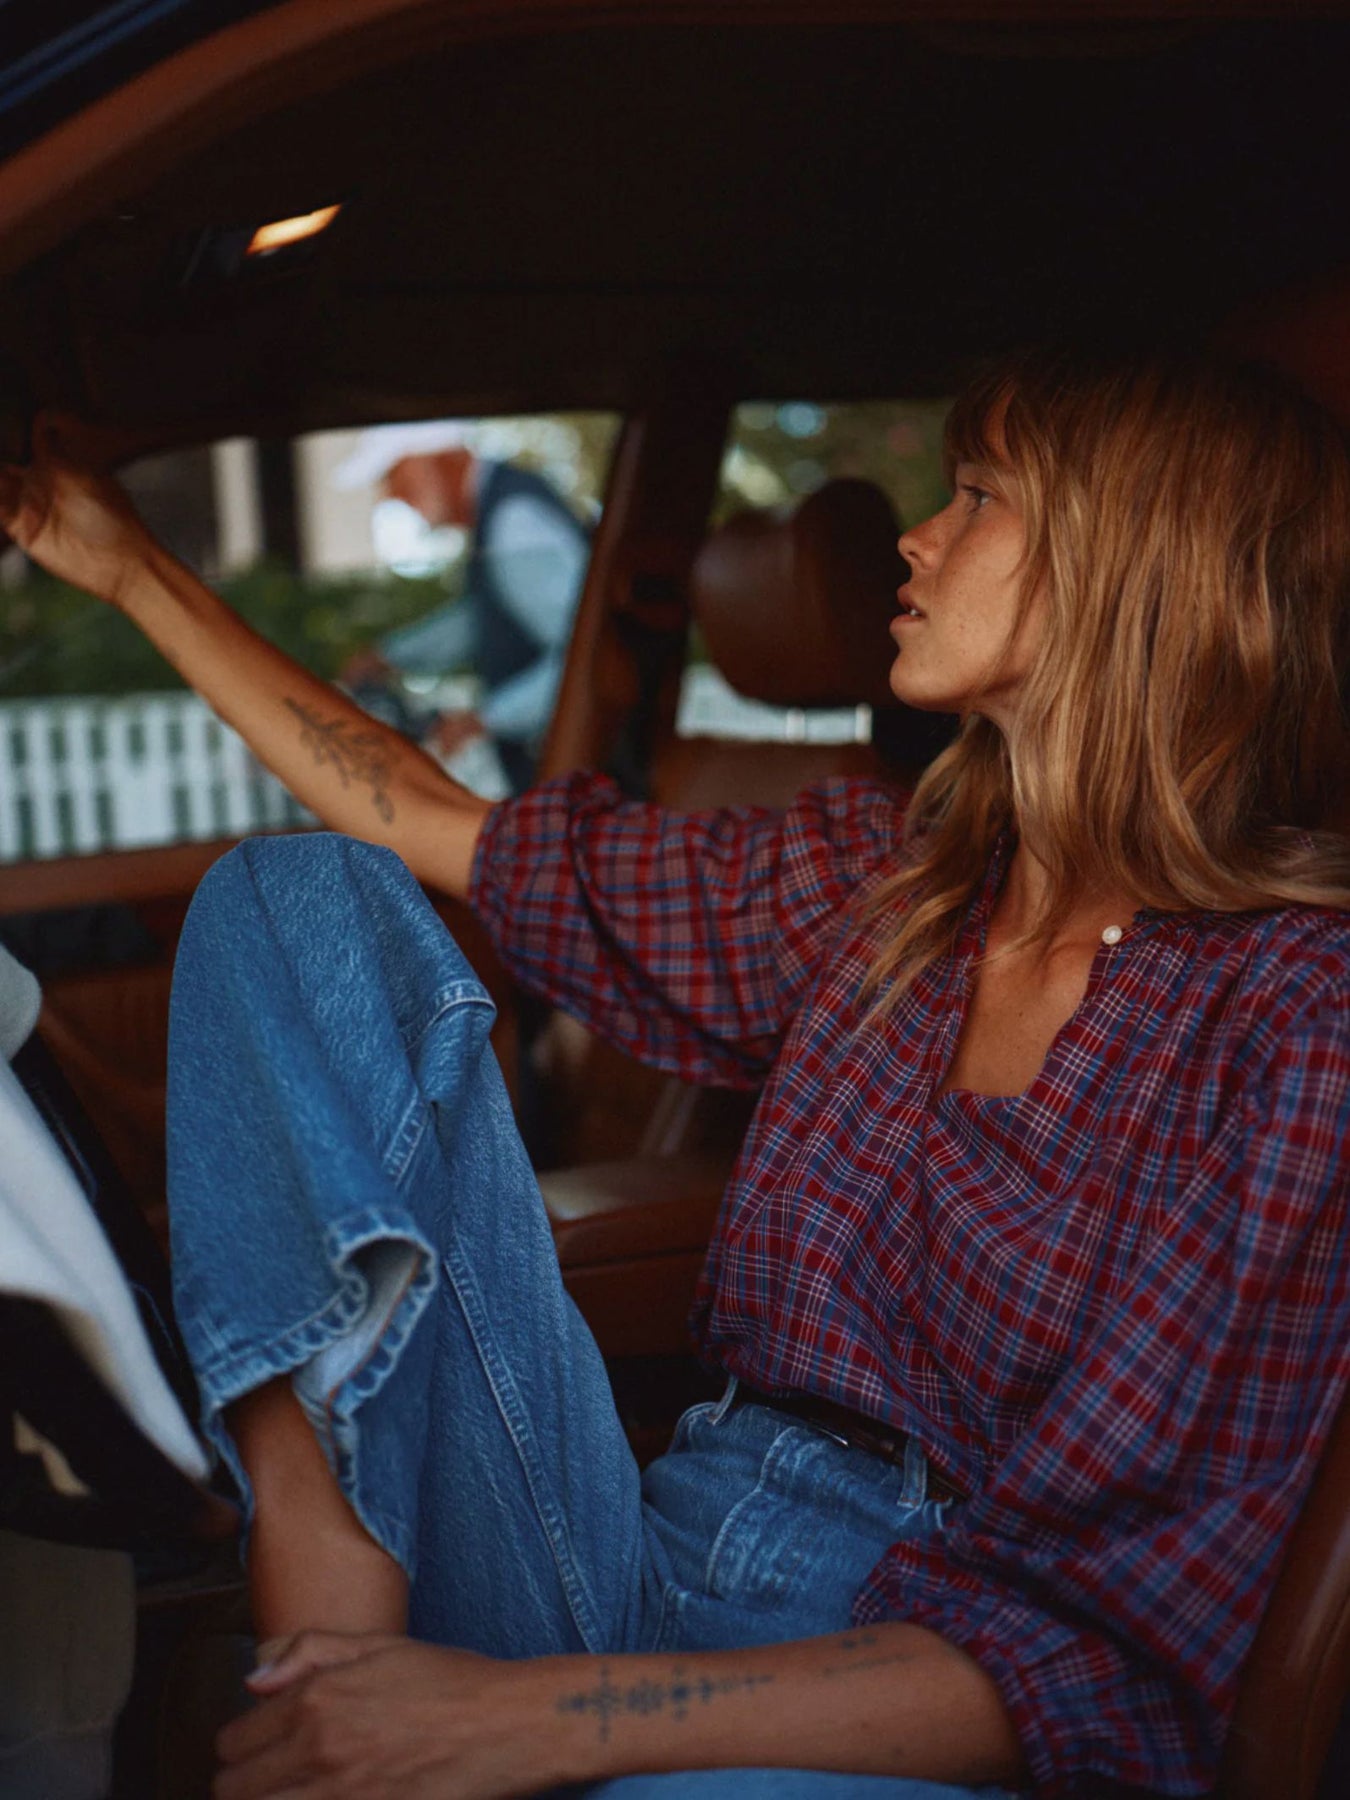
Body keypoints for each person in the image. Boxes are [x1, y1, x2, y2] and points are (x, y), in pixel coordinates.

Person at [1, 348, 1348, 1800]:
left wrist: (535, 1720)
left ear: (1139, 569)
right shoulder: (878, 890)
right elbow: (429, 824)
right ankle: (331, 1667)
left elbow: (1103, 1659)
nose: (915, 536)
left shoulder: (1292, 1019)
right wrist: (128, 569)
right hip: (638, 1544)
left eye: (977, 498)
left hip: (909, 1677)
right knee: (294, 897)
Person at [332, 422, 592, 792]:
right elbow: (482, 619)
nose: (391, 496)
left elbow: (587, 652)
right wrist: (389, 657)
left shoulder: (514, 524)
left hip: (583, 771)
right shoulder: (496, 516)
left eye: (396, 475)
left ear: (441, 458)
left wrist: (487, 720)